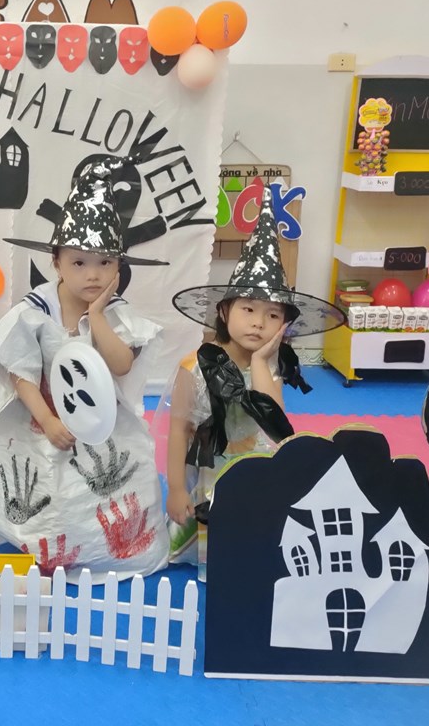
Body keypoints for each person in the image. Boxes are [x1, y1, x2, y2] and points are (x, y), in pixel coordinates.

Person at [0, 156, 170, 580]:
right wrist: (46, 419)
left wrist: (96, 317)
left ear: (119, 267)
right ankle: (48, 547)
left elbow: (121, 365)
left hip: (103, 422)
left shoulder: (115, 311)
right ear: (56, 263)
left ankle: (103, 549)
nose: (93, 275)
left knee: (109, 484)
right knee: (46, 489)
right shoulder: (36, 310)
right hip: (43, 417)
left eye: (105, 263)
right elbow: (21, 372)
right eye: (79, 263)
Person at [163, 188, 344, 580]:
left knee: (252, 537)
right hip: (211, 470)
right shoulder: (194, 366)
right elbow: (178, 430)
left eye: (273, 315)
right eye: (248, 309)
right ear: (224, 311)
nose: (259, 323)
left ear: (285, 325)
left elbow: (274, 424)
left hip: (258, 466)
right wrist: (175, 488)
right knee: (213, 533)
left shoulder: (270, 366)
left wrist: (262, 360)